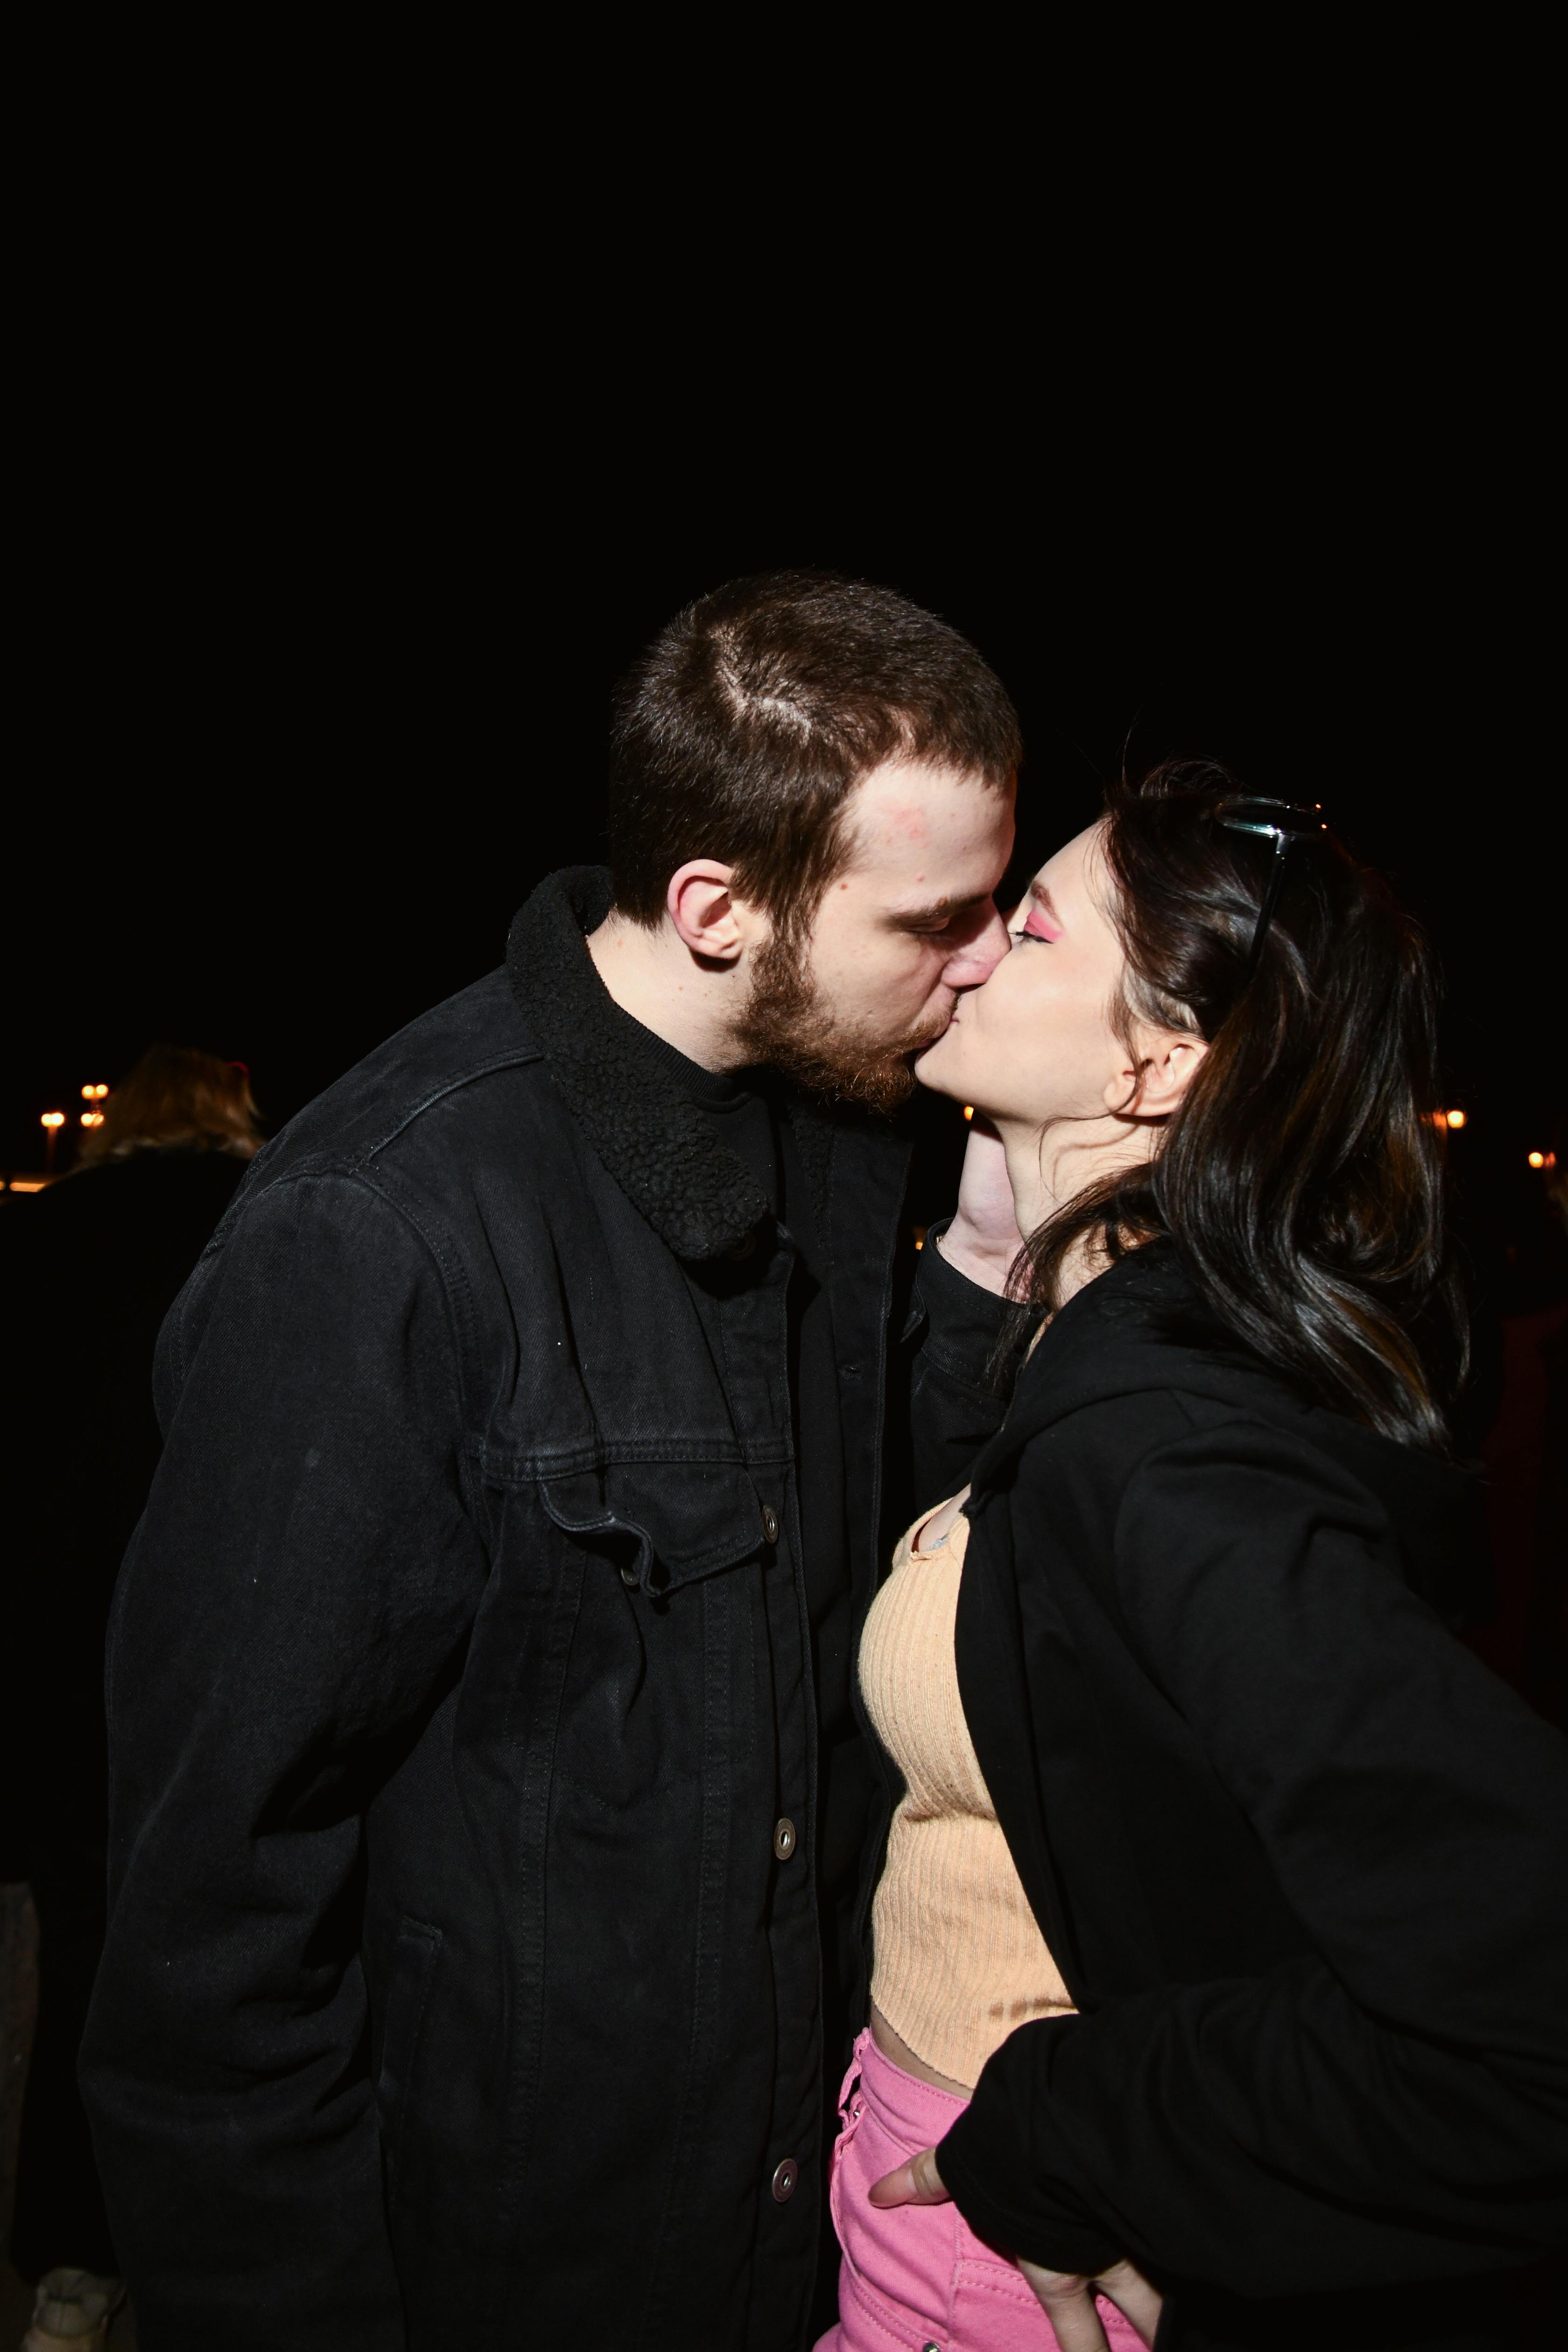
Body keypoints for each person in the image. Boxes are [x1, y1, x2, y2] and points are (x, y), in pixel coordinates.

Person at [78, 572, 1029, 2350]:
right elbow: (209, 1941)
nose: (985, 959)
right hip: (500, 2280)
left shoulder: (839, 1138)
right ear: (720, 907)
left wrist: (977, 1289)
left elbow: (851, 1615)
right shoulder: (375, 1238)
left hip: (781, 2257)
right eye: (938, 918)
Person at [820, 765, 1568, 2352]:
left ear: (1158, 1066)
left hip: (1005, 2272)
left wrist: (1079, 2129)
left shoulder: (1165, 1441)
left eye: (1023, 930)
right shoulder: (1114, 1352)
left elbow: (1526, 2018)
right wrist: (987, 1267)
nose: (961, 952)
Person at [1, 1047, 263, 2346]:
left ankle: (70, 2268)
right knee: (247, 1953)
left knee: (89, 1949)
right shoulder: (267, 1220)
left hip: (59, 1652)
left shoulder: (45, 1239)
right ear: (229, 1109)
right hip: (217, 1646)